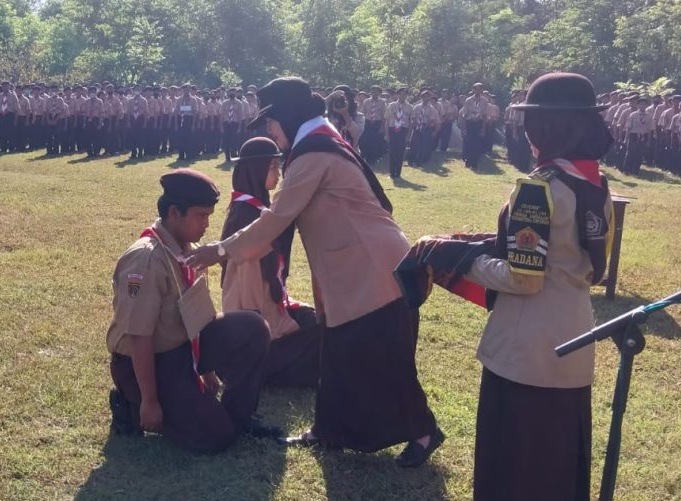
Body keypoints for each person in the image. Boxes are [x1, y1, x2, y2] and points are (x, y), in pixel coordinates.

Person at [188, 77, 444, 467]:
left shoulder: (312, 155)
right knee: (339, 353)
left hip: (372, 268)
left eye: (272, 122)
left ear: (289, 116)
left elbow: (275, 220)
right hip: (353, 267)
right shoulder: (318, 141)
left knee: (379, 356)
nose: (271, 132)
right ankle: (330, 431)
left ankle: (425, 433)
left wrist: (219, 250)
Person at [455, 71, 614, 501]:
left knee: (516, 448)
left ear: (545, 127)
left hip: (526, 346)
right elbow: (582, 264)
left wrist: (460, 261)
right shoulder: (594, 182)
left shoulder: (536, 188)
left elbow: (524, 277)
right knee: (553, 450)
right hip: (574, 335)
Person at [106, 168, 282, 453]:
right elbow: (139, 336)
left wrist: (206, 370)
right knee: (214, 438)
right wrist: (150, 401)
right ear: (175, 213)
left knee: (252, 327)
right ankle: (130, 402)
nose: (206, 224)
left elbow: (195, 316)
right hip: (148, 361)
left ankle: (239, 417)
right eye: (201, 216)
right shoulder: (146, 259)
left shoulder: (188, 249)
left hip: (181, 350)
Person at [220, 138, 321, 389]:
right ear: (257, 169)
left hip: (269, 309)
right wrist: (266, 329)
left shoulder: (256, 208)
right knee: (322, 335)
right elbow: (246, 292)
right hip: (258, 327)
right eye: (273, 167)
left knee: (314, 319)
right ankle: (264, 371)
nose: (278, 174)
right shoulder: (246, 218)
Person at [385, 87, 413, 179]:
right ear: (397, 95)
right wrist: (387, 134)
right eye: (400, 94)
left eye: (404, 94)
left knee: (400, 152)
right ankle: (392, 172)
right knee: (392, 152)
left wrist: (408, 136)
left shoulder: (410, 107)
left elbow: (411, 123)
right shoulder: (391, 105)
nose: (402, 96)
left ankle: (398, 173)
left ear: (407, 96)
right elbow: (387, 120)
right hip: (392, 129)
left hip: (403, 130)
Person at [461, 83, 489, 170]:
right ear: (473, 90)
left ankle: (475, 162)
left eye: (480, 89)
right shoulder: (468, 100)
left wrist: (483, 128)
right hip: (470, 123)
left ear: (482, 90)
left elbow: (485, 115)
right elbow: (464, 115)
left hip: (479, 123)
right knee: (469, 143)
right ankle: (468, 161)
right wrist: (464, 128)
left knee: (477, 144)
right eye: (476, 89)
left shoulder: (484, 101)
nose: (478, 91)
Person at [622, 96, 652, 175]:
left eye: (644, 104)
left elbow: (649, 129)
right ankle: (626, 170)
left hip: (643, 136)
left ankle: (636, 171)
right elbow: (628, 127)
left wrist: (648, 140)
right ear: (638, 105)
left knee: (639, 154)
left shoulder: (649, 116)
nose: (642, 106)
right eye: (640, 104)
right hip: (633, 135)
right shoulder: (633, 114)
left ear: (647, 105)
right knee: (630, 153)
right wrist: (626, 138)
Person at [359, 85, 386, 164]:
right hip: (367, 123)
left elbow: (384, 116)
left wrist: (382, 127)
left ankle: (373, 159)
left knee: (375, 142)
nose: (374, 93)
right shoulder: (366, 101)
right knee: (366, 141)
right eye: (373, 91)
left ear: (379, 93)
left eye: (376, 92)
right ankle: (366, 158)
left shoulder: (382, 102)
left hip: (377, 123)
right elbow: (362, 113)